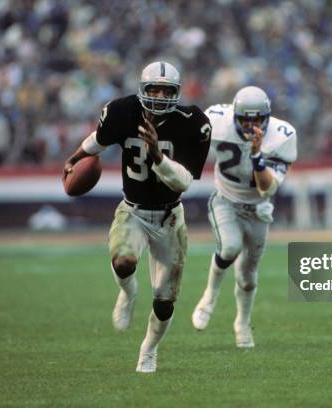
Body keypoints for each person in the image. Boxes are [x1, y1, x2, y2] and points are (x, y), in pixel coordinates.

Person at [63, 61, 212, 372]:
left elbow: (184, 182)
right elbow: (99, 140)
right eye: (153, 89)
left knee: (165, 301)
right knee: (123, 262)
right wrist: (77, 156)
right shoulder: (122, 111)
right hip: (133, 210)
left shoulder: (192, 122)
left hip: (171, 218)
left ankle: (149, 349)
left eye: (166, 90)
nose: (159, 95)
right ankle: (128, 292)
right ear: (142, 90)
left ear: (177, 92)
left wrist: (158, 156)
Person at [191, 86, 298, 347]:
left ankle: (242, 323)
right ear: (234, 116)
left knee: (248, 277)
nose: (251, 125)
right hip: (226, 199)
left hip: (258, 208)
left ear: (267, 118)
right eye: (245, 119)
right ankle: (209, 297)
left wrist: (257, 154)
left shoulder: (282, 137)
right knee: (229, 247)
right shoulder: (216, 119)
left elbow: (267, 188)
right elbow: (191, 141)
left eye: (257, 119)